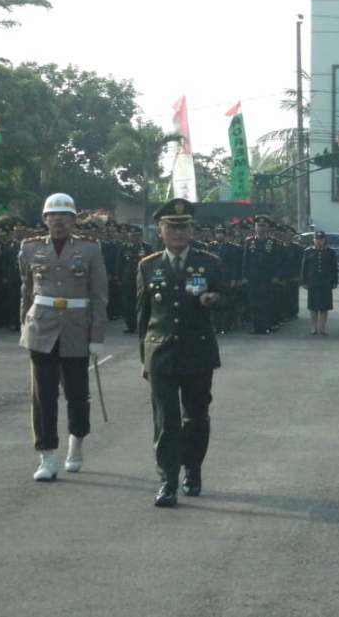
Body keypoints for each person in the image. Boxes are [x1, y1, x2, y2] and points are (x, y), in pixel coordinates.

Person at [136, 198, 226, 507]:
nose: (178, 233)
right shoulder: (148, 266)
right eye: (171, 227)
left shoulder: (209, 262)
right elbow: (142, 316)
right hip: (160, 353)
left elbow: (228, 298)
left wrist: (216, 298)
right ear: (160, 230)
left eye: (184, 227)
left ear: (192, 230)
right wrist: (143, 359)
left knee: (196, 418)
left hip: (198, 351)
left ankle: (193, 470)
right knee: (166, 420)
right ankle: (167, 481)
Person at [18, 193, 108, 482]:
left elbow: (98, 295)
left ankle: (76, 444)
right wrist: (24, 325)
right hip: (41, 328)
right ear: (45, 219)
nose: (58, 219)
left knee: (77, 394)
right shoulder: (29, 248)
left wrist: (97, 335)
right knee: (42, 396)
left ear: (73, 219)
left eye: (64, 215)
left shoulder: (90, 249)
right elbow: (27, 289)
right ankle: (46, 455)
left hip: (76, 328)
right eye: (52, 215)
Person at [300, 230, 337, 334]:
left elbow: (334, 268)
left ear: (324, 240)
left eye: (321, 239)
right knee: (313, 307)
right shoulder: (308, 251)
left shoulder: (330, 252)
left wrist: (334, 281)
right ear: (314, 240)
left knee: (324, 307)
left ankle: (322, 327)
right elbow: (304, 268)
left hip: (326, 283)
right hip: (313, 282)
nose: (319, 241)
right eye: (317, 239)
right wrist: (304, 281)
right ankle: (314, 327)